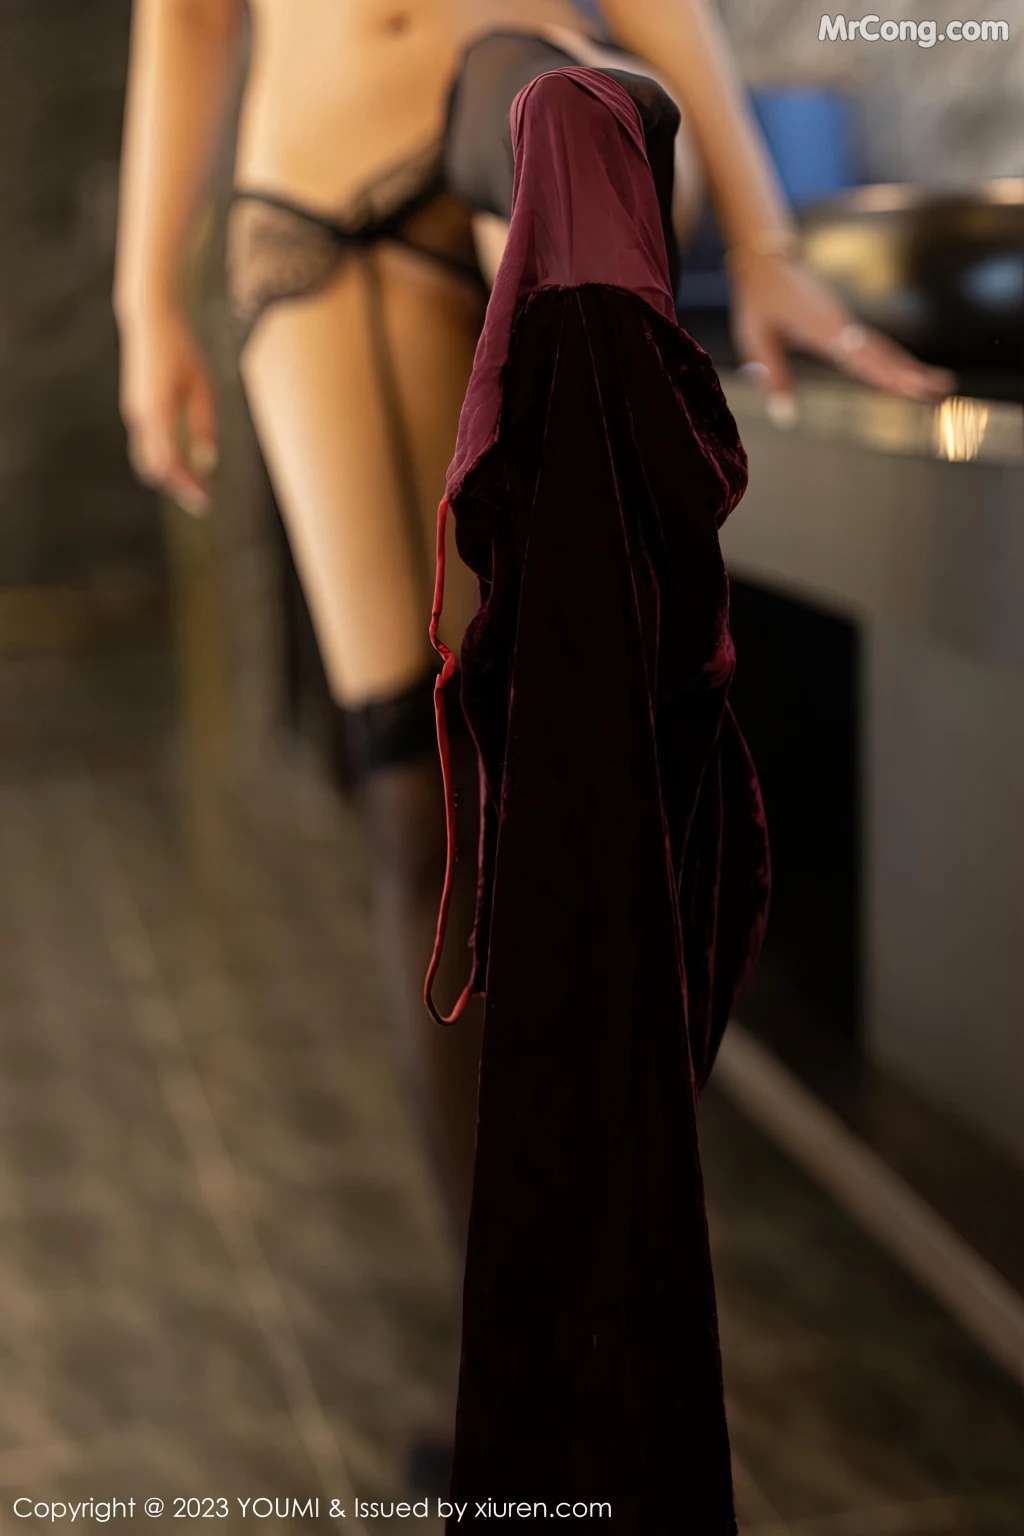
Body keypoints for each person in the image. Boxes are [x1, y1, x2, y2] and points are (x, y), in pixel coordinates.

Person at [113, 0, 951, 1277]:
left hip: (524, 132)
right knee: (423, 802)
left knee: (557, 113)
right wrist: (142, 305)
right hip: (312, 208)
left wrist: (765, 239)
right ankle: (509, 1325)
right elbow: (182, 19)